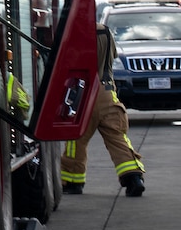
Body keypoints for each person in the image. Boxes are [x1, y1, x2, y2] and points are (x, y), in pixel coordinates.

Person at [60, 21, 146, 196]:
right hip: (107, 94)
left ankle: (72, 182)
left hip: (82, 94)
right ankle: (134, 178)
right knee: (117, 138)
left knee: (76, 140)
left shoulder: (74, 32)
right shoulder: (105, 32)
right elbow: (111, 57)